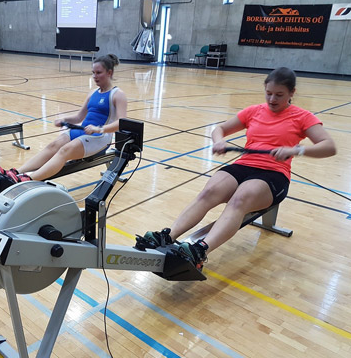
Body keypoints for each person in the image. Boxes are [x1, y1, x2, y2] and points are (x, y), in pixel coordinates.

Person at [142, 67, 337, 270]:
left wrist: (296, 149)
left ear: (292, 93)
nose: (272, 99)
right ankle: (168, 236)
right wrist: (218, 141)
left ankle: (200, 250)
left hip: (274, 174)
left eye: (279, 95)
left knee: (239, 200)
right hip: (244, 165)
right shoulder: (254, 111)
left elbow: (329, 147)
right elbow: (219, 129)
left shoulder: (302, 116)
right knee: (209, 192)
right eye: (268, 93)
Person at [0, 54, 127, 185]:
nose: (94, 76)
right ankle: (17, 172)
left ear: (109, 73)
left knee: (64, 151)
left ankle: (28, 179)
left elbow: (121, 123)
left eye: (99, 73)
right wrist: (64, 119)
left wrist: (99, 129)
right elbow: (79, 117)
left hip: (100, 137)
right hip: (83, 132)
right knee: (53, 146)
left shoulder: (117, 94)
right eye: (93, 73)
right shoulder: (93, 93)